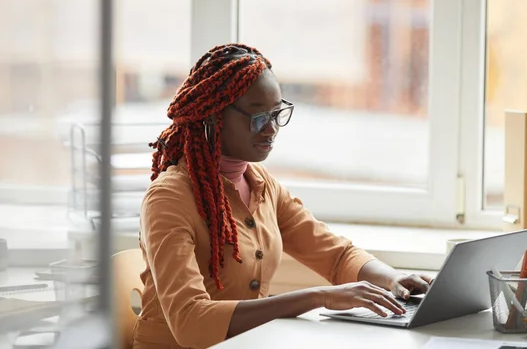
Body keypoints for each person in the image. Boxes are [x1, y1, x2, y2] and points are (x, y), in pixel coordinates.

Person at [132, 44, 432, 349]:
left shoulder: (262, 185)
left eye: (277, 114)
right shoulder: (169, 199)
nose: (272, 129)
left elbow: (335, 254)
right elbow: (191, 322)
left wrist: (393, 278)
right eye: (258, 118)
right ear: (212, 117)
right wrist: (318, 297)